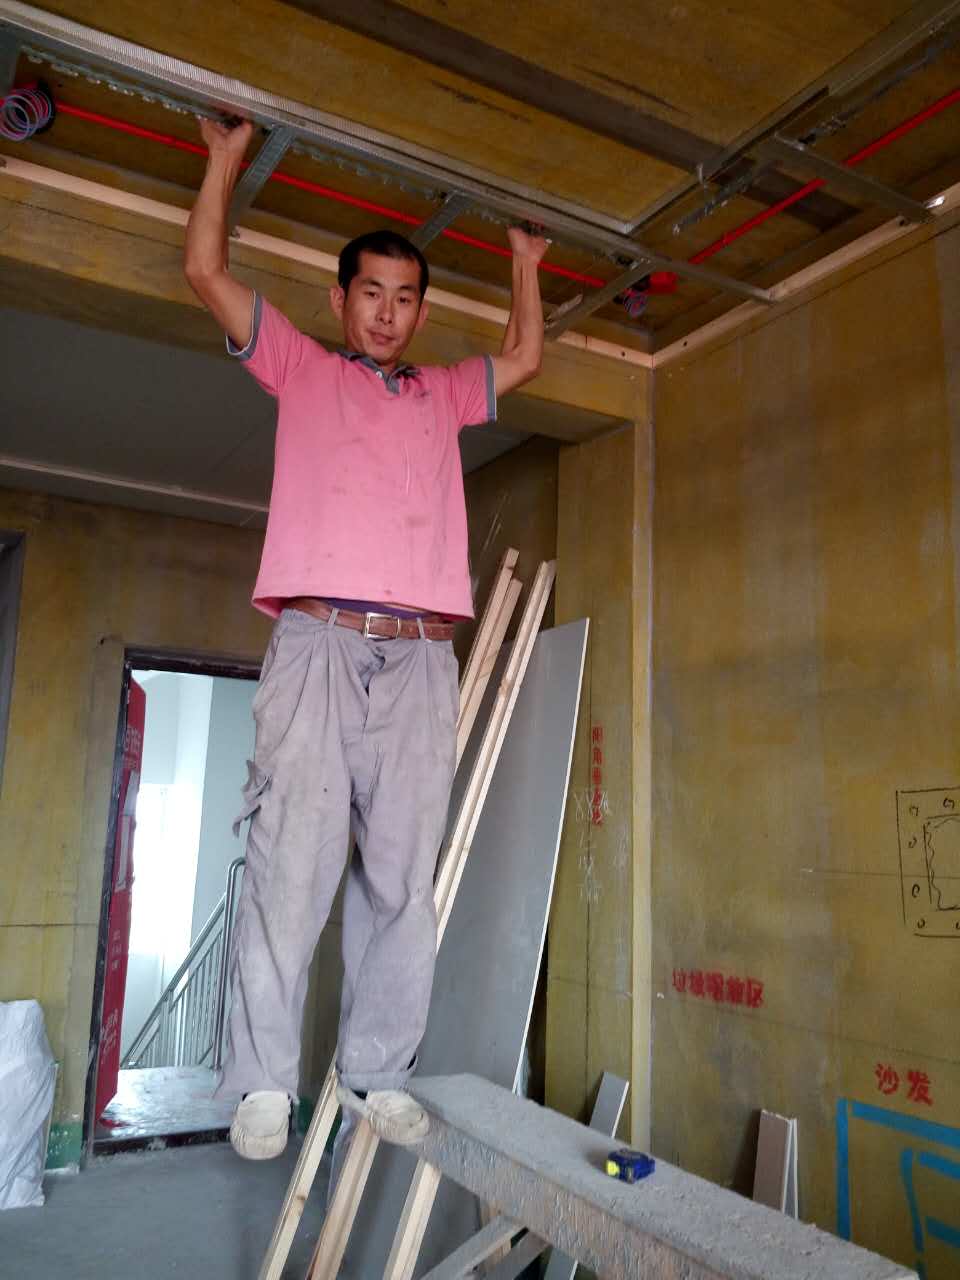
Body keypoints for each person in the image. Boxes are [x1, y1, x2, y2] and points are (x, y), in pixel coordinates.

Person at [183, 116, 547, 1163]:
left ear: (420, 310)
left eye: (405, 297)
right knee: (289, 865)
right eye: (371, 294)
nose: (388, 313)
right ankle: (262, 1082)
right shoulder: (301, 367)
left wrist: (524, 262)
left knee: (402, 874)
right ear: (342, 300)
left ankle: (378, 1072)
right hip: (320, 644)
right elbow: (205, 270)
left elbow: (524, 353)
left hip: (422, 657)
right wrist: (222, 161)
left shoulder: (443, 393)